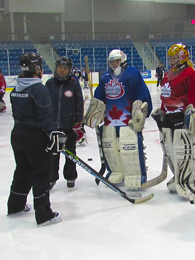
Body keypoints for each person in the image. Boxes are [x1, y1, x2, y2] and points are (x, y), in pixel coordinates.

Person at [7, 52, 67, 227]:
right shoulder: (38, 89)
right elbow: (45, 116)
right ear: (37, 68)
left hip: (17, 135)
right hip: (35, 138)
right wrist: (54, 133)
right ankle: (44, 215)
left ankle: (15, 205)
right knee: (41, 174)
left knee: (23, 170)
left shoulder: (16, 89)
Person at [83, 49, 153, 189]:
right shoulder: (105, 78)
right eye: (112, 61)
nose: (114, 64)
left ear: (123, 60)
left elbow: (141, 93)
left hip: (127, 120)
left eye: (117, 61)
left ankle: (135, 173)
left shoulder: (132, 74)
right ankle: (116, 171)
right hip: (110, 120)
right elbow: (99, 98)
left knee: (129, 147)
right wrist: (96, 111)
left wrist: (140, 109)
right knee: (110, 148)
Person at [151, 43, 195, 198]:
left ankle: (188, 180)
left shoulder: (190, 74)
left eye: (175, 57)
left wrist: (194, 113)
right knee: (170, 149)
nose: (172, 61)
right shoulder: (168, 75)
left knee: (183, 150)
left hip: (182, 117)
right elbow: (165, 96)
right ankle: (179, 175)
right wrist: (161, 110)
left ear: (183, 57)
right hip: (168, 117)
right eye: (171, 58)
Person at [45, 57, 84, 189]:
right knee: (53, 154)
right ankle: (51, 178)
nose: (62, 70)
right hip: (52, 126)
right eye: (60, 68)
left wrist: (78, 122)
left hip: (69, 125)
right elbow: (44, 104)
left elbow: (79, 103)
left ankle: (70, 176)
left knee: (70, 153)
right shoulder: (50, 84)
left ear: (69, 70)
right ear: (56, 68)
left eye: (65, 68)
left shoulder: (73, 83)